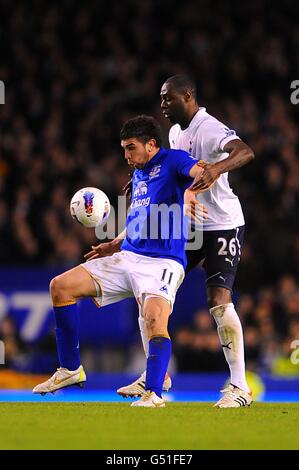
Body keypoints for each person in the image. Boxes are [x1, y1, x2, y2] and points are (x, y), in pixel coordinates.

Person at [88, 75, 255, 408]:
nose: (163, 106)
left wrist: (216, 170)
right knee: (150, 288)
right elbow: (169, 170)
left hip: (222, 224)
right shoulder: (177, 134)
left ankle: (239, 386)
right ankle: (156, 375)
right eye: (162, 100)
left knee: (219, 300)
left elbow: (245, 152)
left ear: (188, 96)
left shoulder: (207, 127)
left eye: (168, 99)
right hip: (190, 226)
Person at [33, 115, 208, 407]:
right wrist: (115, 243)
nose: (126, 155)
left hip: (163, 262)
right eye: (124, 148)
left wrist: (190, 191)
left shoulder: (174, 161)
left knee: (154, 318)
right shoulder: (139, 174)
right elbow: (141, 217)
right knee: (60, 287)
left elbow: (205, 170)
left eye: (131, 148)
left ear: (151, 145)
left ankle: (154, 393)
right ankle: (70, 369)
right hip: (128, 256)